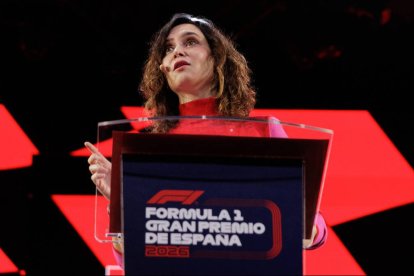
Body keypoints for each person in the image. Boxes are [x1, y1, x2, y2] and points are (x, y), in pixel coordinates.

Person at [85, 12, 327, 267]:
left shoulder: (263, 132)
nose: (177, 51)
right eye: (169, 49)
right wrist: (121, 202)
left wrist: (304, 227)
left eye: (190, 42)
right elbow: (131, 261)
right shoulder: (147, 151)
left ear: (217, 56)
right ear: (163, 69)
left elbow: (315, 228)